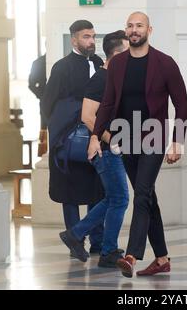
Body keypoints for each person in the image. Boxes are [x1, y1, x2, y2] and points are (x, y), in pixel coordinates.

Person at [88, 12, 187, 278]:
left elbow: (182, 104)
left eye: (139, 26)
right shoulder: (118, 64)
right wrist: (95, 136)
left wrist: (177, 141)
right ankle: (162, 258)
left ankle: (131, 255)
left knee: (141, 193)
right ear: (126, 31)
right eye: (130, 26)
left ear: (149, 30)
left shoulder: (165, 63)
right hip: (124, 139)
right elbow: (108, 102)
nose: (134, 30)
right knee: (147, 197)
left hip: (154, 138)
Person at [59, 31, 130, 267]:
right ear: (117, 53)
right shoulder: (101, 79)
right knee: (119, 198)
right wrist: (113, 140)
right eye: (128, 51)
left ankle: (83, 237)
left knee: (113, 198)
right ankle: (95, 243)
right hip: (104, 149)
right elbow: (88, 117)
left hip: (112, 148)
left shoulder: (117, 77)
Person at [41, 20, 105, 258]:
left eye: (93, 36)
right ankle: (75, 240)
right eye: (86, 37)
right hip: (68, 140)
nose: (91, 41)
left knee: (97, 188)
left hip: (95, 135)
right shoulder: (61, 67)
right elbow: (47, 104)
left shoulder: (99, 63)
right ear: (74, 39)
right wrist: (62, 132)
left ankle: (98, 240)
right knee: (70, 191)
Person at [28, 53, 48, 156]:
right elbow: (31, 84)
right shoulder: (38, 63)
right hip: (45, 102)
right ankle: (44, 155)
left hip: (56, 101)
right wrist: (42, 96)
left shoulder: (38, 62)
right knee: (44, 129)